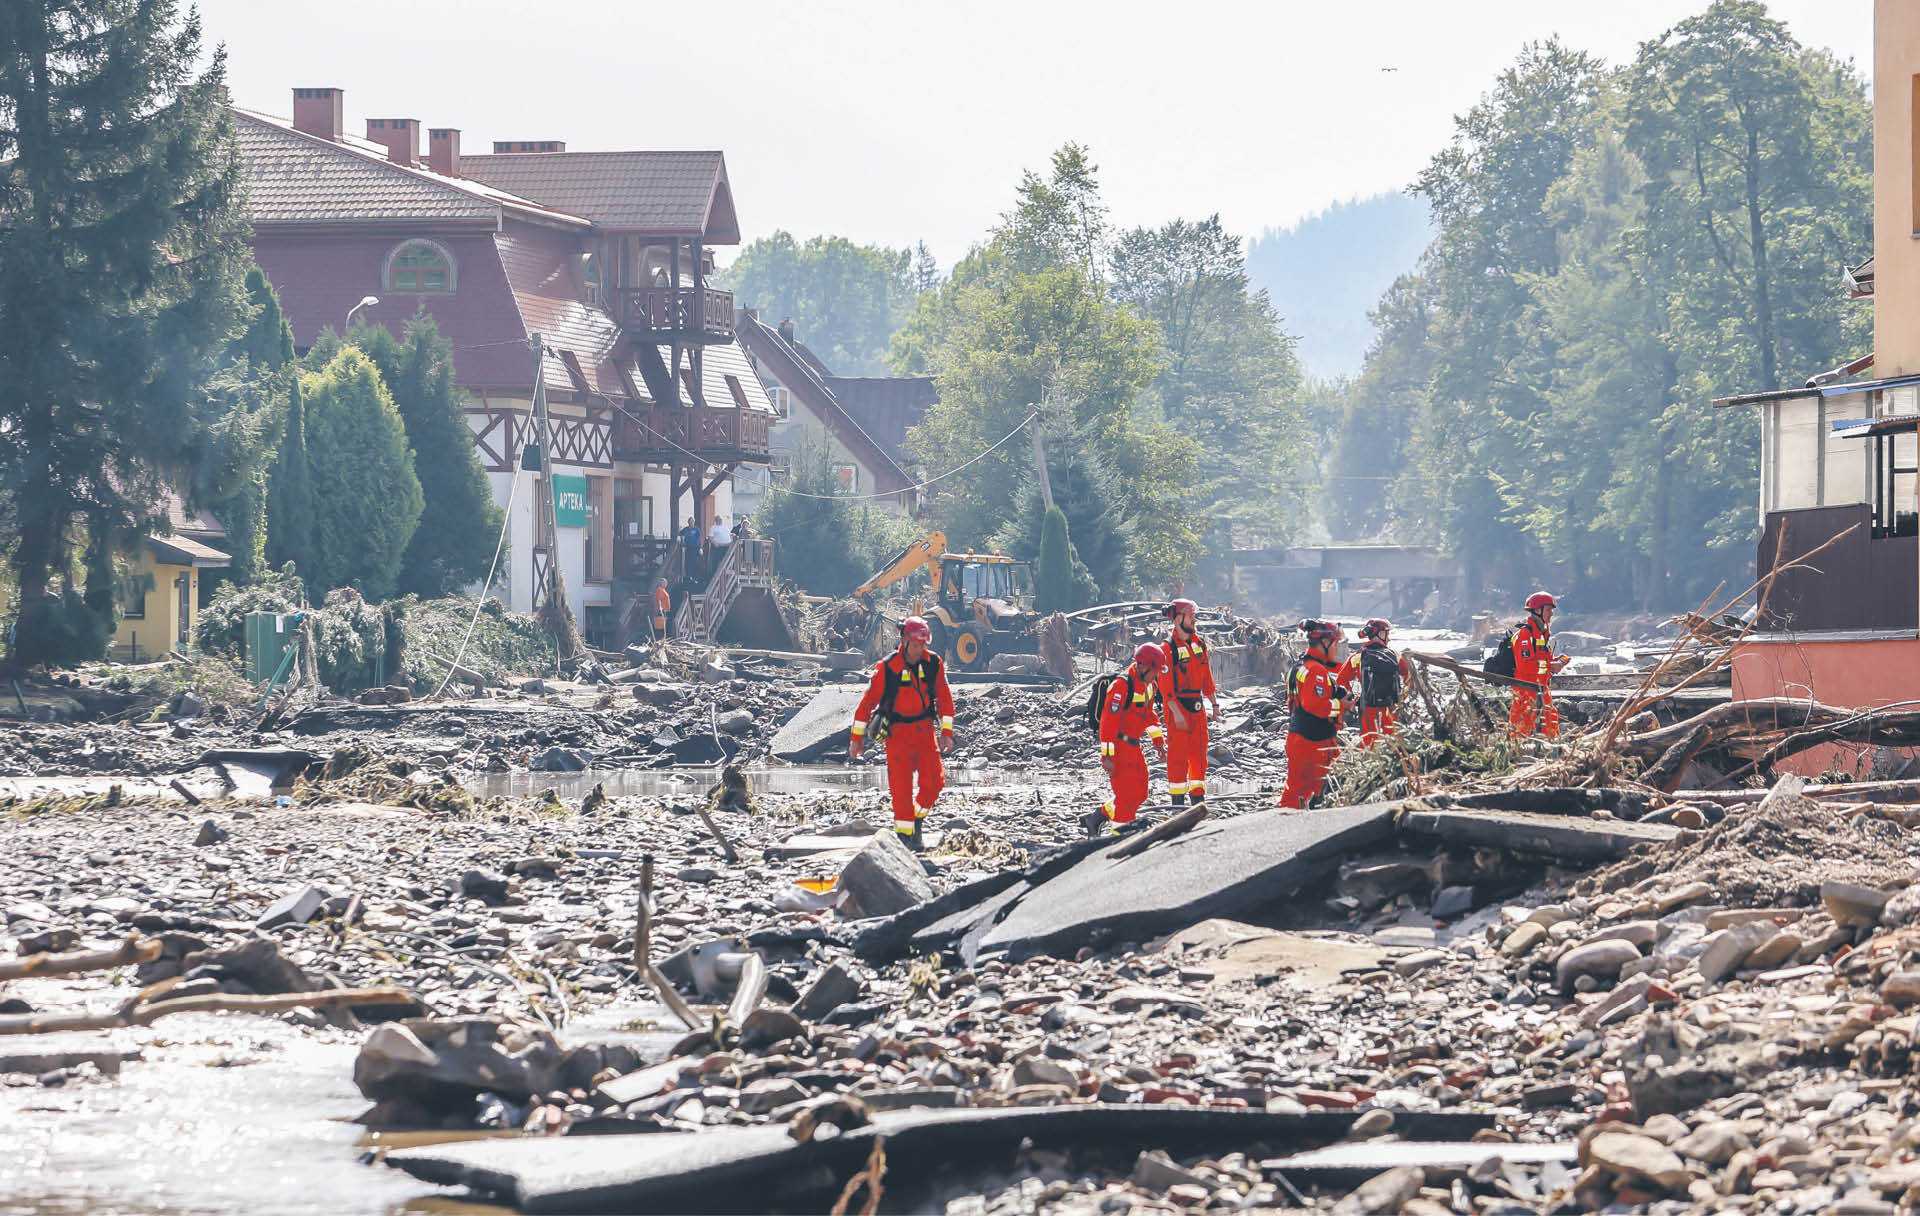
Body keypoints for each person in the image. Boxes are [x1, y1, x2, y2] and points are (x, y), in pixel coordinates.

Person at [849, 616, 955, 852]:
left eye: (923, 645)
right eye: (915, 645)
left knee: (934, 783)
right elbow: (866, 705)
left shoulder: (934, 663)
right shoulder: (888, 667)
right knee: (901, 789)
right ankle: (906, 837)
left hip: (925, 732)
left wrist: (947, 732)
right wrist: (857, 739)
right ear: (904, 641)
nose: (919, 650)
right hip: (897, 735)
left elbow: (945, 698)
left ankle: (917, 819)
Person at [1085, 643, 1169, 838]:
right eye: (1155, 671)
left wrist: (1159, 744)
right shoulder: (1121, 686)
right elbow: (1108, 724)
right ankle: (1119, 840)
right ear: (1142, 666)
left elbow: (1150, 717)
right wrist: (1107, 756)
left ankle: (1097, 817)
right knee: (1125, 798)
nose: (1156, 676)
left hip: (1134, 747)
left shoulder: (1150, 686)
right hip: (1119, 748)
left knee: (1141, 793)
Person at [1279, 620, 1350, 810]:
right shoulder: (1316, 671)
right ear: (1325, 643)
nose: (1336, 648)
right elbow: (1314, 705)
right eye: (1335, 644)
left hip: (1308, 738)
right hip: (1312, 743)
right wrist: (1341, 705)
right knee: (1299, 794)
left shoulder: (1301, 666)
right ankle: (1284, 828)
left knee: (1325, 787)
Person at [1156, 598, 1218, 808]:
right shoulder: (1167, 649)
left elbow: (1207, 678)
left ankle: (1198, 800)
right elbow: (1166, 690)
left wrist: (1214, 704)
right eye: (1191, 616)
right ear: (1178, 618)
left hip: (1197, 707)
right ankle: (1178, 804)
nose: (1194, 620)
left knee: (1199, 755)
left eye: (1194, 616)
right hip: (1177, 709)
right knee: (1178, 757)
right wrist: (1177, 714)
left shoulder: (1199, 645)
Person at [1509, 591, 1569, 738]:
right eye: (1548, 610)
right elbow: (1525, 666)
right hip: (1526, 689)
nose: (1551, 614)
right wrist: (1551, 666)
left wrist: (1558, 662)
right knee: (1521, 725)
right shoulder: (1525, 635)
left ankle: (1553, 752)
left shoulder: (1541, 635)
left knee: (1550, 720)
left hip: (1541, 687)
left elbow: (1540, 660)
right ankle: (1515, 753)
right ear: (1537, 611)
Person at [1342, 618, 1409, 747]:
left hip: (1368, 708)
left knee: (1369, 743)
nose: (1388, 638)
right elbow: (1408, 678)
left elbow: (1341, 681)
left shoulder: (1358, 656)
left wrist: (1351, 700)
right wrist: (1402, 698)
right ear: (1381, 634)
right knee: (1391, 745)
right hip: (1391, 708)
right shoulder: (1395, 655)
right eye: (1387, 634)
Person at [649, 577, 671, 643]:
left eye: (666, 583)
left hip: (665, 610)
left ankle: (662, 640)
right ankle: (659, 640)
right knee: (660, 626)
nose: (666, 584)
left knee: (663, 626)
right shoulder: (660, 590)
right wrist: (660, 608)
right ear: (661, 583)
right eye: (664, 582)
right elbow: (658, 600)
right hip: (661, 611)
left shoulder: (663, 590)